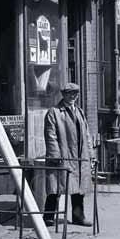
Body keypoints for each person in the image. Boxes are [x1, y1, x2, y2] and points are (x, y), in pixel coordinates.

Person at [43, 83, 93, 226]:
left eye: (75, 94)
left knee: (78, 189)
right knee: (56, 187)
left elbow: (87, 135)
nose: (73, 96)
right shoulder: (54, 112)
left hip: (79, 155)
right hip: (62, 155)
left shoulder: (79, 112)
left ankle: (78, 217)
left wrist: (91, 154)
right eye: (70, 93)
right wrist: (55, 155)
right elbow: (50, 135)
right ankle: (48, 216)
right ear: (63, 94)